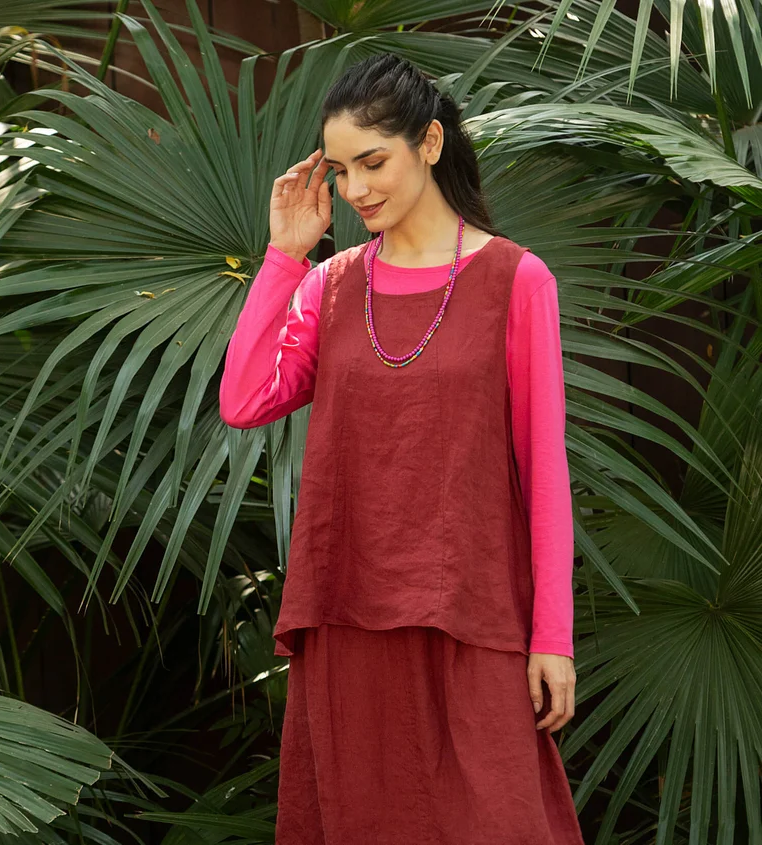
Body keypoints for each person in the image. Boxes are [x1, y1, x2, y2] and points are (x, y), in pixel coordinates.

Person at [220, 53, 584, 845]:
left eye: (373, 162)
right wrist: (286, 256)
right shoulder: (333, 283)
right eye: (343, 171)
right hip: (349, 610)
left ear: (429, 143)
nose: (356, 191)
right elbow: (244, 399)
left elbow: (545, 475)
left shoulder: (517, 281)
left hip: (474, 612)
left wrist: (551, 636)